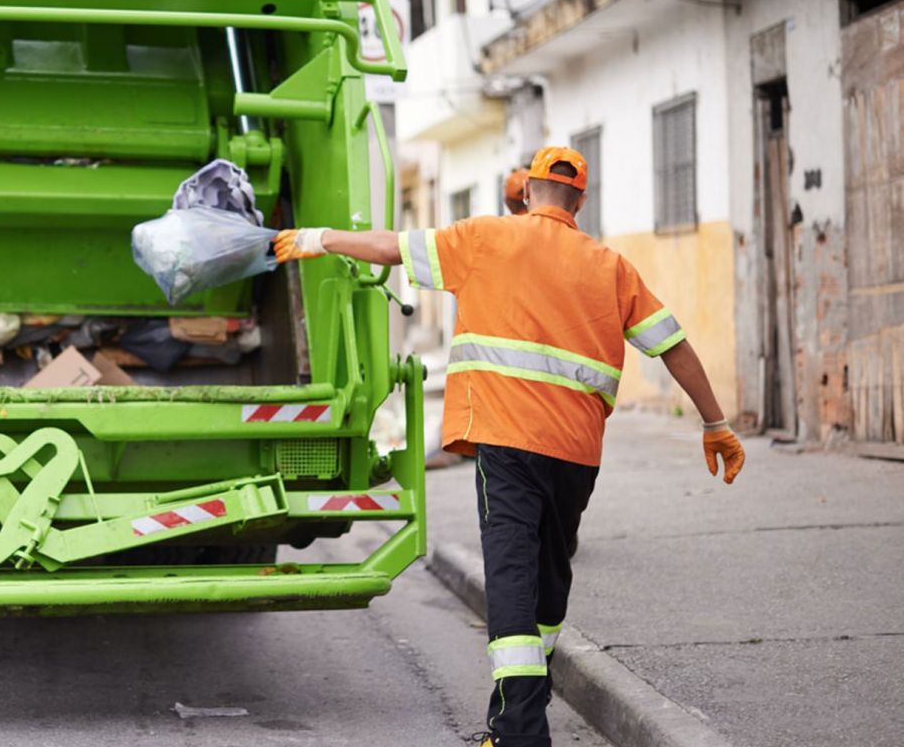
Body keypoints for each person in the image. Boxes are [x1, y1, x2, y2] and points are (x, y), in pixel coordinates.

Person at [274, 146, 745, 747]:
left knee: (512, 576)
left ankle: (521, 733)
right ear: (579, 200)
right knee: (550, 572)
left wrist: (320, 237)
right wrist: (715, 423)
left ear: (525, 192)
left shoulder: (484, 238)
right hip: (576, 450)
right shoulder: (612, 266)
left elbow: (392, 248)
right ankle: (521, 709)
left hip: (507, 439)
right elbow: (671, 343)